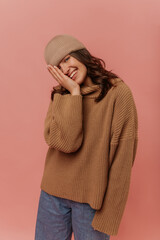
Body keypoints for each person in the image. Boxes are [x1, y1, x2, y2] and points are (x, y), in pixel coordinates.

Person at [34, 34, 138, 240]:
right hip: (52, 194)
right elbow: (68, 143)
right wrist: (74, 94)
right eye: (58, 67)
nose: (66, 69)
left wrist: (110, 213)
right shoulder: (60, 96)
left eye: (66, 59)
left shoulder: (118, 93)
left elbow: (123, 159)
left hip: (91, 201)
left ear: (81, 54)